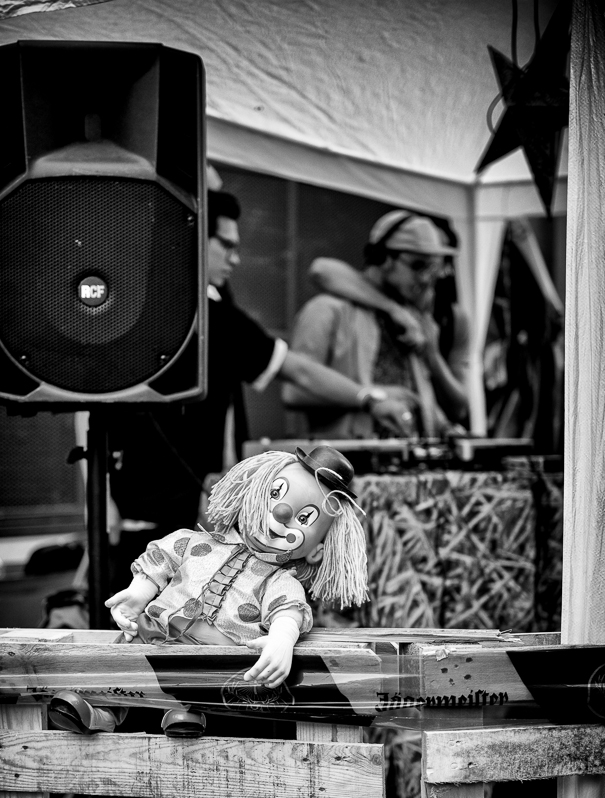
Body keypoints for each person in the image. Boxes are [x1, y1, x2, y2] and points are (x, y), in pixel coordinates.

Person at [107, 192, 417, 584]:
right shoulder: (209, 313)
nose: (235, 259)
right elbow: (298, 371)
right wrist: (369, 397)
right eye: (226, 246)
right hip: (159, 512)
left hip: (160, 503)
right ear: (192, 239)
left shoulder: (149, 307)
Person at [49, 445, 368, 734]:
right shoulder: (195, 542)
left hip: (213, 657)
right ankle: (99, 710)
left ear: (317, 551)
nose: (282, 514)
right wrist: (139, 592)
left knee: (203, 681)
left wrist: (282, 639)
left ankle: (188, 712)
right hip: (155, 633)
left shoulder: (278, 580)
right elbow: (162, 558)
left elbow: (288, 609)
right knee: (121, 658)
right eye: (275, 494)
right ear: (249, 494)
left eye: (305, 517)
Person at [282, 210, 471, 439]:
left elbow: (419, 396)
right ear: (384, 258)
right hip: (347, 459)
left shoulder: (411, 322)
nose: (424, 278)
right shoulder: (327, 310)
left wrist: (443, 427)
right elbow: (294, 391)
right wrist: (374, 396)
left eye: (431, 269)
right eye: (417, 265)